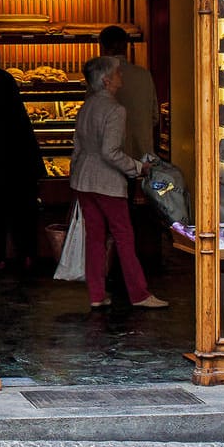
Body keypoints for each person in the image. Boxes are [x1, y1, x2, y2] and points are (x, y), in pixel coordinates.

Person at [68, 55, 169, 311]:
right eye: (117, 74)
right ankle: (139, 293)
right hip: (108, 183)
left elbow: (77, 146)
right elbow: (110, 152)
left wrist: (75, 174)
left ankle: (96, 294)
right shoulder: (115, 110)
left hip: (84, 179)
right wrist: (138, 167)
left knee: (95, 239)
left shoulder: (86, 106)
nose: (121, 77)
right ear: (106, 80)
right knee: (124, 237)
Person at [0, 62, 45, 274]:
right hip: (23, 165)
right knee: (24, 214)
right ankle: (28, 256)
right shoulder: (8, 84)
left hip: (1, 166)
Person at [99, 25, 156, 160]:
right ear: (126, 46)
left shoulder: (99, 79)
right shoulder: (144, 75)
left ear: (103, 48)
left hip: (112, 160)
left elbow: (91, 120)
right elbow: (154, 117)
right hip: (142, 157)